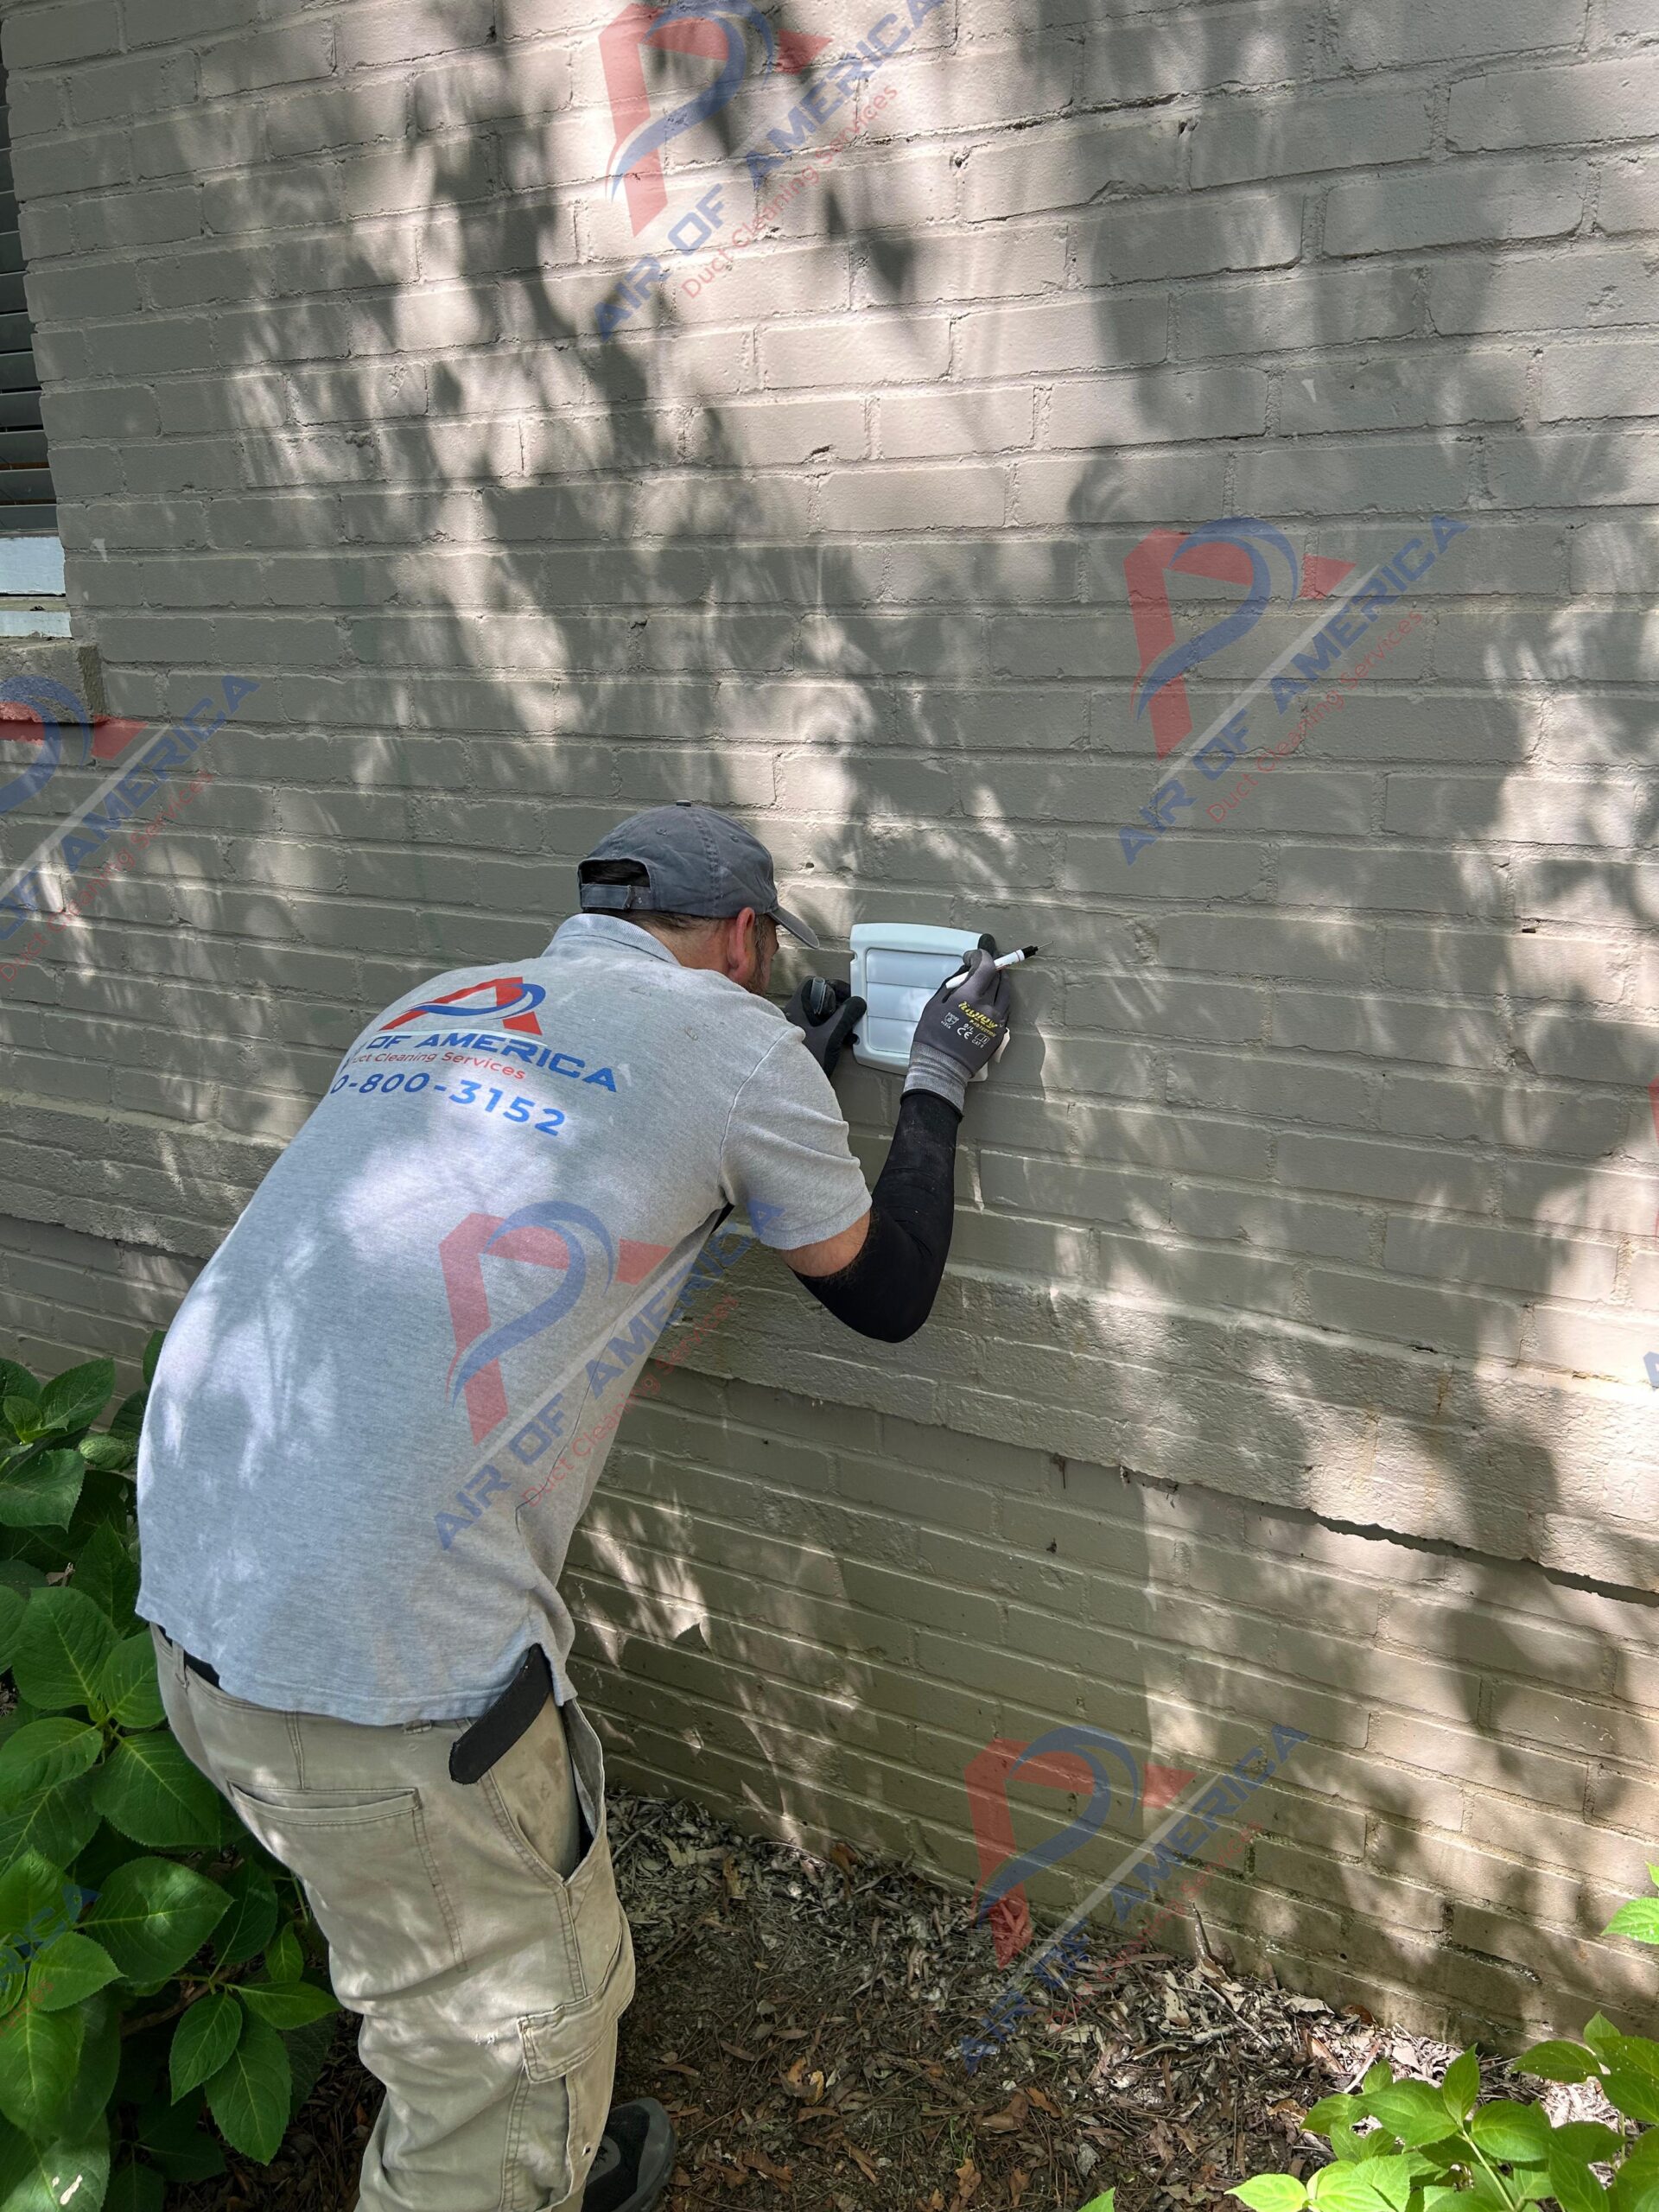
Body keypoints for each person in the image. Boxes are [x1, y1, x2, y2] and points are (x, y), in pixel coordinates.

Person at [135, 802, 1013, 2212]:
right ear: (747, 937)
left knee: (429, 1966)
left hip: (199, 1595)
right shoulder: (730, 1047)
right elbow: (888, 1292)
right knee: (504, 2056)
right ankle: (510, 2165)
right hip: (379, 1678)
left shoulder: (438, 1004)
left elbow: (574, 1172)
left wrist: (776, 1080)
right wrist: (939, 1081)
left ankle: (537, 2156)